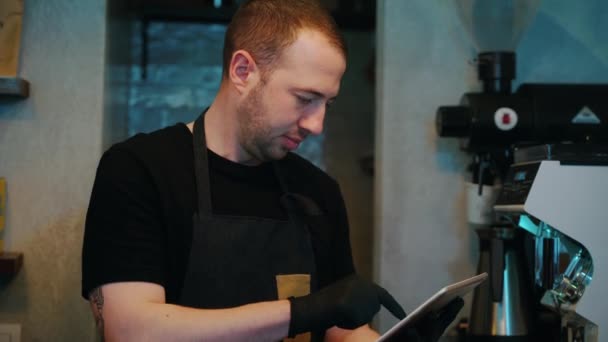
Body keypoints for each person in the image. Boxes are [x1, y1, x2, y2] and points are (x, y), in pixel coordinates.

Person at [81, 0, 463, 341]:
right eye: (305, 98)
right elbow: (132, 331)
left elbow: (340, 331)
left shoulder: (318, 192)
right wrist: (302, 312)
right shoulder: (139, 170)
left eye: (327, 102)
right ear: (243, 70)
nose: (317, 125)